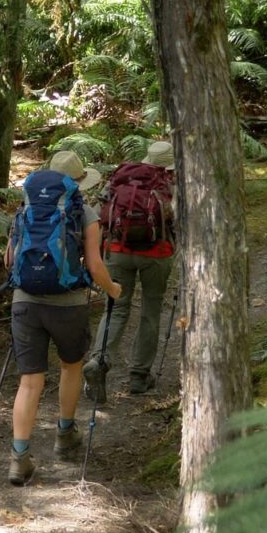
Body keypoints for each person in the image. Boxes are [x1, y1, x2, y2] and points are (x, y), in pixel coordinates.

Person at [2, 149, 122, 486]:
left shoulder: (24, 209)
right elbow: (96, 267)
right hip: (67, 304)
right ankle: (64, 433)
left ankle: (19, 458)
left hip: (24, 303)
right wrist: (113, 289)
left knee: (29, 380)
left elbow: (9, 260)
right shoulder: (85, 212)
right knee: (70, 366)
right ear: (79, 181)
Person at [90, 141, 176, 396]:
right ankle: (139, 376)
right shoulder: (170, 183)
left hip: (118, 252)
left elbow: (98, 213)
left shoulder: (122, 178)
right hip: (157, 254)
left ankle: (99, 361)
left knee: (115, 308)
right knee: (151, 310)